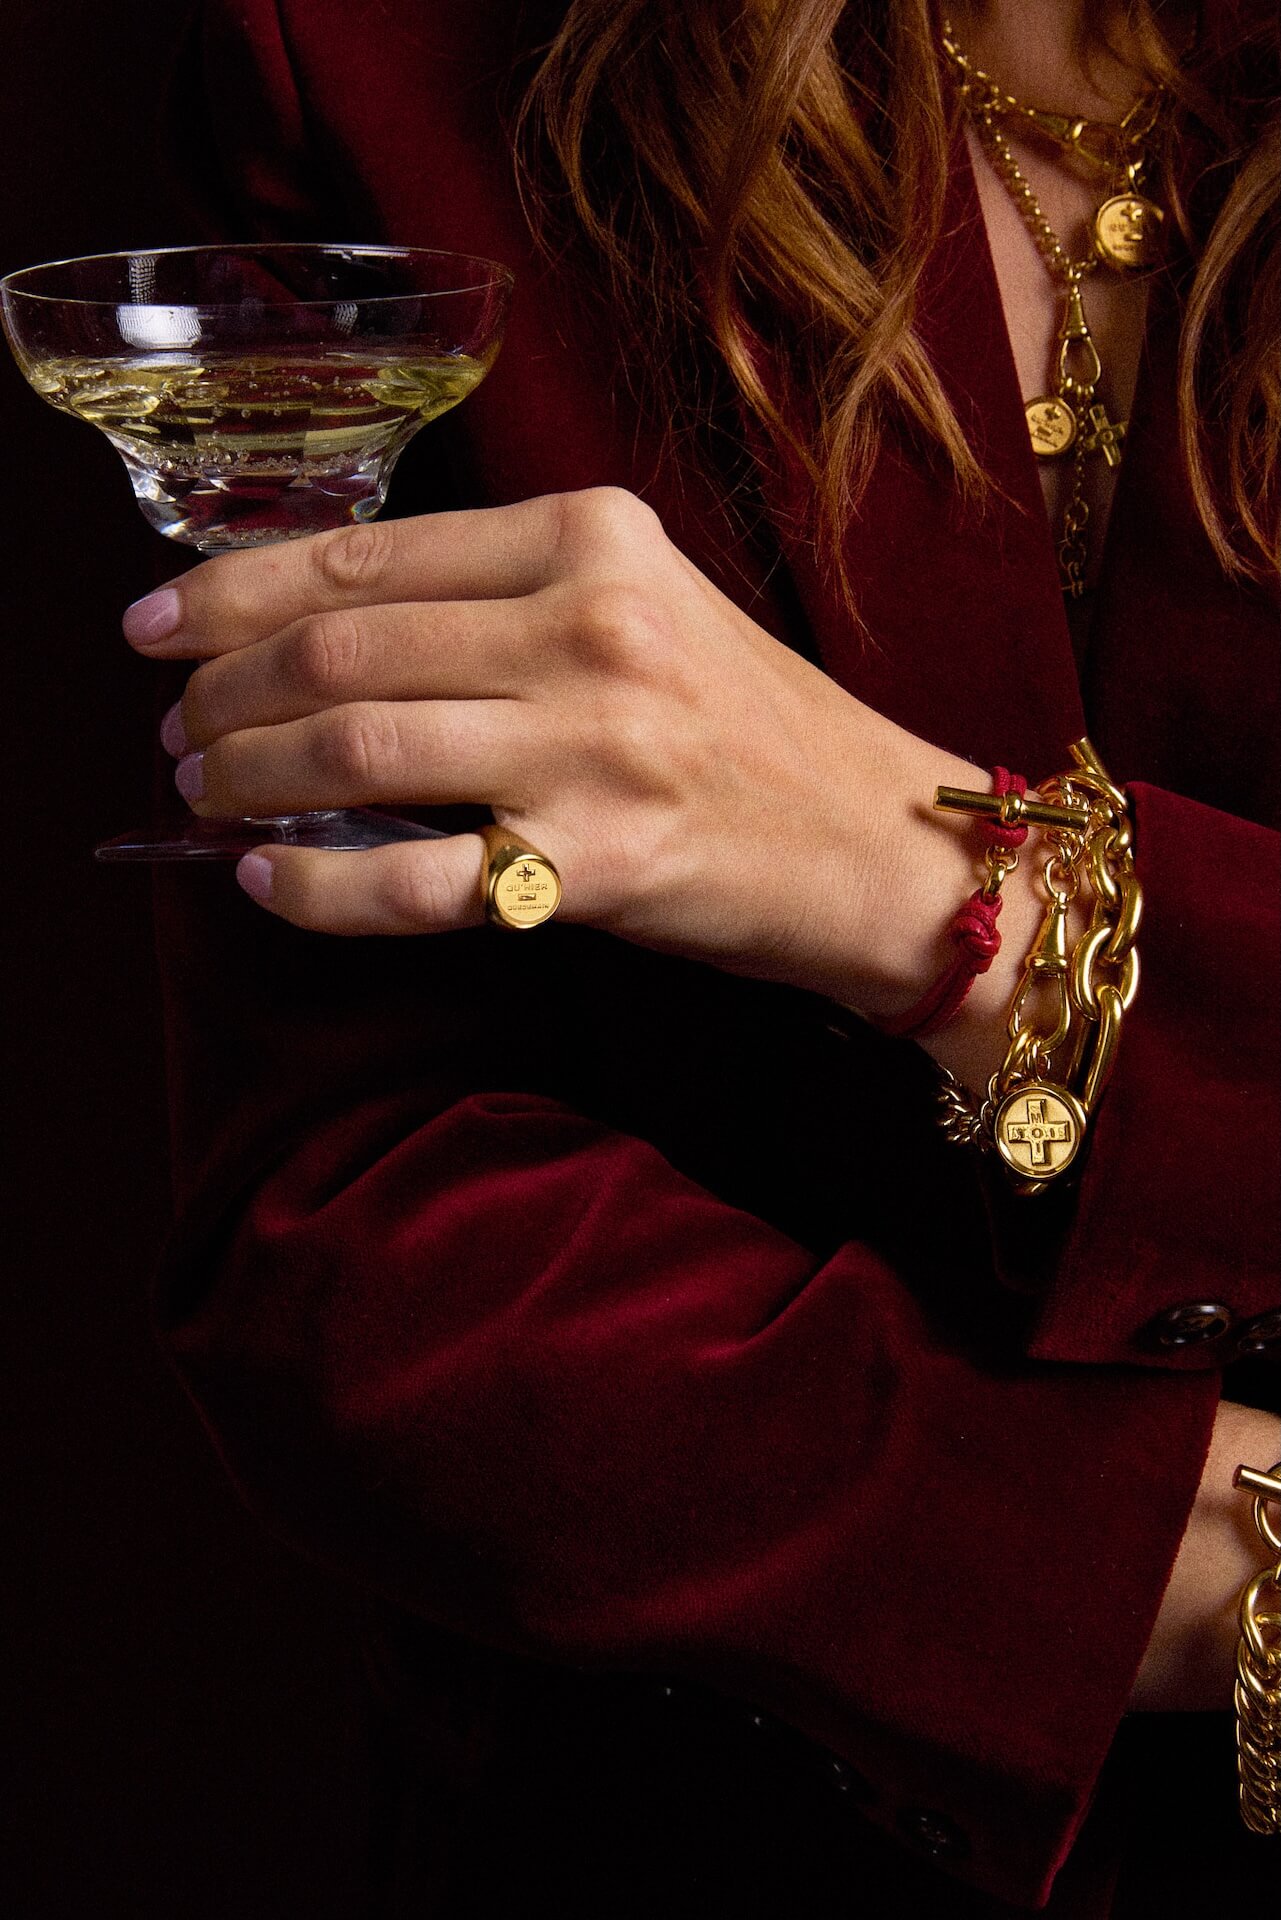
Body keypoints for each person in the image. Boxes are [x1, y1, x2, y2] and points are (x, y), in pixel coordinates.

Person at [128, 0, 1278, 1911]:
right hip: (672, 1839)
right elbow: (350, 1232)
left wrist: (928, 889)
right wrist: (1228, 1569)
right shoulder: (381, 61)